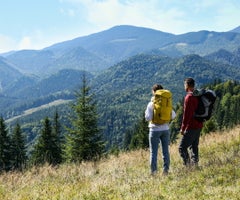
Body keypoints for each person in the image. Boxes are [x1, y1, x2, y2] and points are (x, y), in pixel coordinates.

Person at [145, 84, 176, 175]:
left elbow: (148, 118)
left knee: (153, 152)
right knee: (165, 151)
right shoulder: (167, 102)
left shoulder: (151, 104)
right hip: (165, 129)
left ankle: (154, 172)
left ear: (154, 92)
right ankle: (166, 171)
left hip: (154, 129)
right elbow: (173, 115)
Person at [179, 78, 203, 167]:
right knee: (194, 146)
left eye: (184, 85)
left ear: (187, 85)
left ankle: (188, 166)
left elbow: (187, 114)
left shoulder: (189, 97)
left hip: (192, 126)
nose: (184, 87)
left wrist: (183, 128)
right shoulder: (197, 95)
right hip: (199, 124)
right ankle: (195, 165)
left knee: (182, 148)